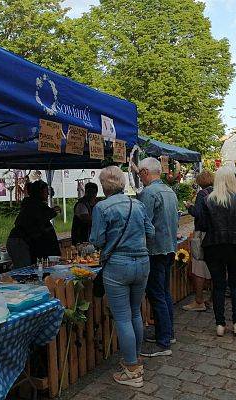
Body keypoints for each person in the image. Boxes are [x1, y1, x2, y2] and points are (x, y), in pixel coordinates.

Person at [89, 166, 154, 387]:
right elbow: (151, 231)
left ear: (103, 185)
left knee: (123, 317)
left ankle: (132, 370)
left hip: (117, 264)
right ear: (123, 183)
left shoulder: (101, 207)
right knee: (135, 312)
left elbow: (97, 240)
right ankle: (136, 359)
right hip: (142, 262)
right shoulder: (138, 204)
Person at [201, 167, 236, 337]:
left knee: (218, 286)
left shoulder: (208, 200)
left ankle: (220, 324)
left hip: (214, 246)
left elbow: (202, 225)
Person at [136, 157, 179, 357]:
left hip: (155, 250)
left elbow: (144, 223)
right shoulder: (169, 191)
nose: (139, 178)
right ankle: (167, 333)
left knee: (157, 295)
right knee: (164, 293)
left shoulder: (149, 192)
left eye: (139, 174)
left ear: (145, 172)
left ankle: (163, 341)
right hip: (169, 247)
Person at [7, 180, 61, 265]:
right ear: (39, 192)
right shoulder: (32, 205)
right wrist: (53, 211)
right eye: (46, 191)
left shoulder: (33, 204)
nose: (48, 194)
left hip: (21, 241)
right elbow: (40, 218)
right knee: (25, 271)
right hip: (20, 242)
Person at [184, 170, 214, 311]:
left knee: (199, 267)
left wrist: (189, 207)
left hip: (202, 233)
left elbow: (198, 214)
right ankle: (212, 299)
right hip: (214, 234)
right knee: (213, 267)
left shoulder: (202, 194)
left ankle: (199, 301)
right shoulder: (216, 192)